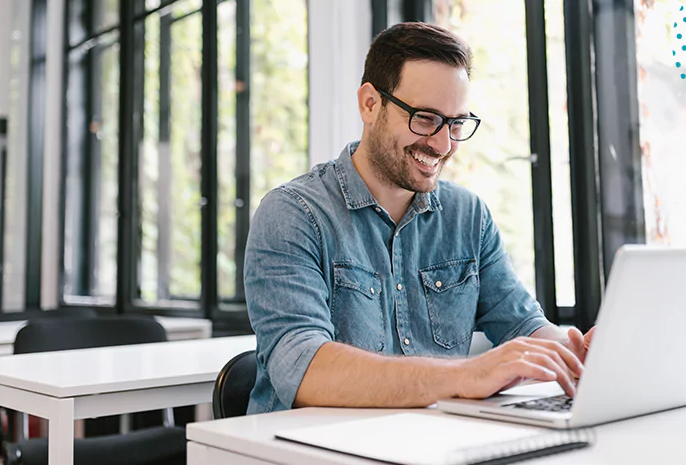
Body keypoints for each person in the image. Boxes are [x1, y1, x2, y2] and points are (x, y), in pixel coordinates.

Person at [244, 22, 595, 415]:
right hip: (299, 449)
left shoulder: (469, 217)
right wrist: (466, 376)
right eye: (425, 118)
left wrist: (574, 352)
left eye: (456, 123)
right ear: (370, 104)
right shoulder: (293, 214)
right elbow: (304, 368)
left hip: (429, 442)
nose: (444, 144)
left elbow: (523, 325)